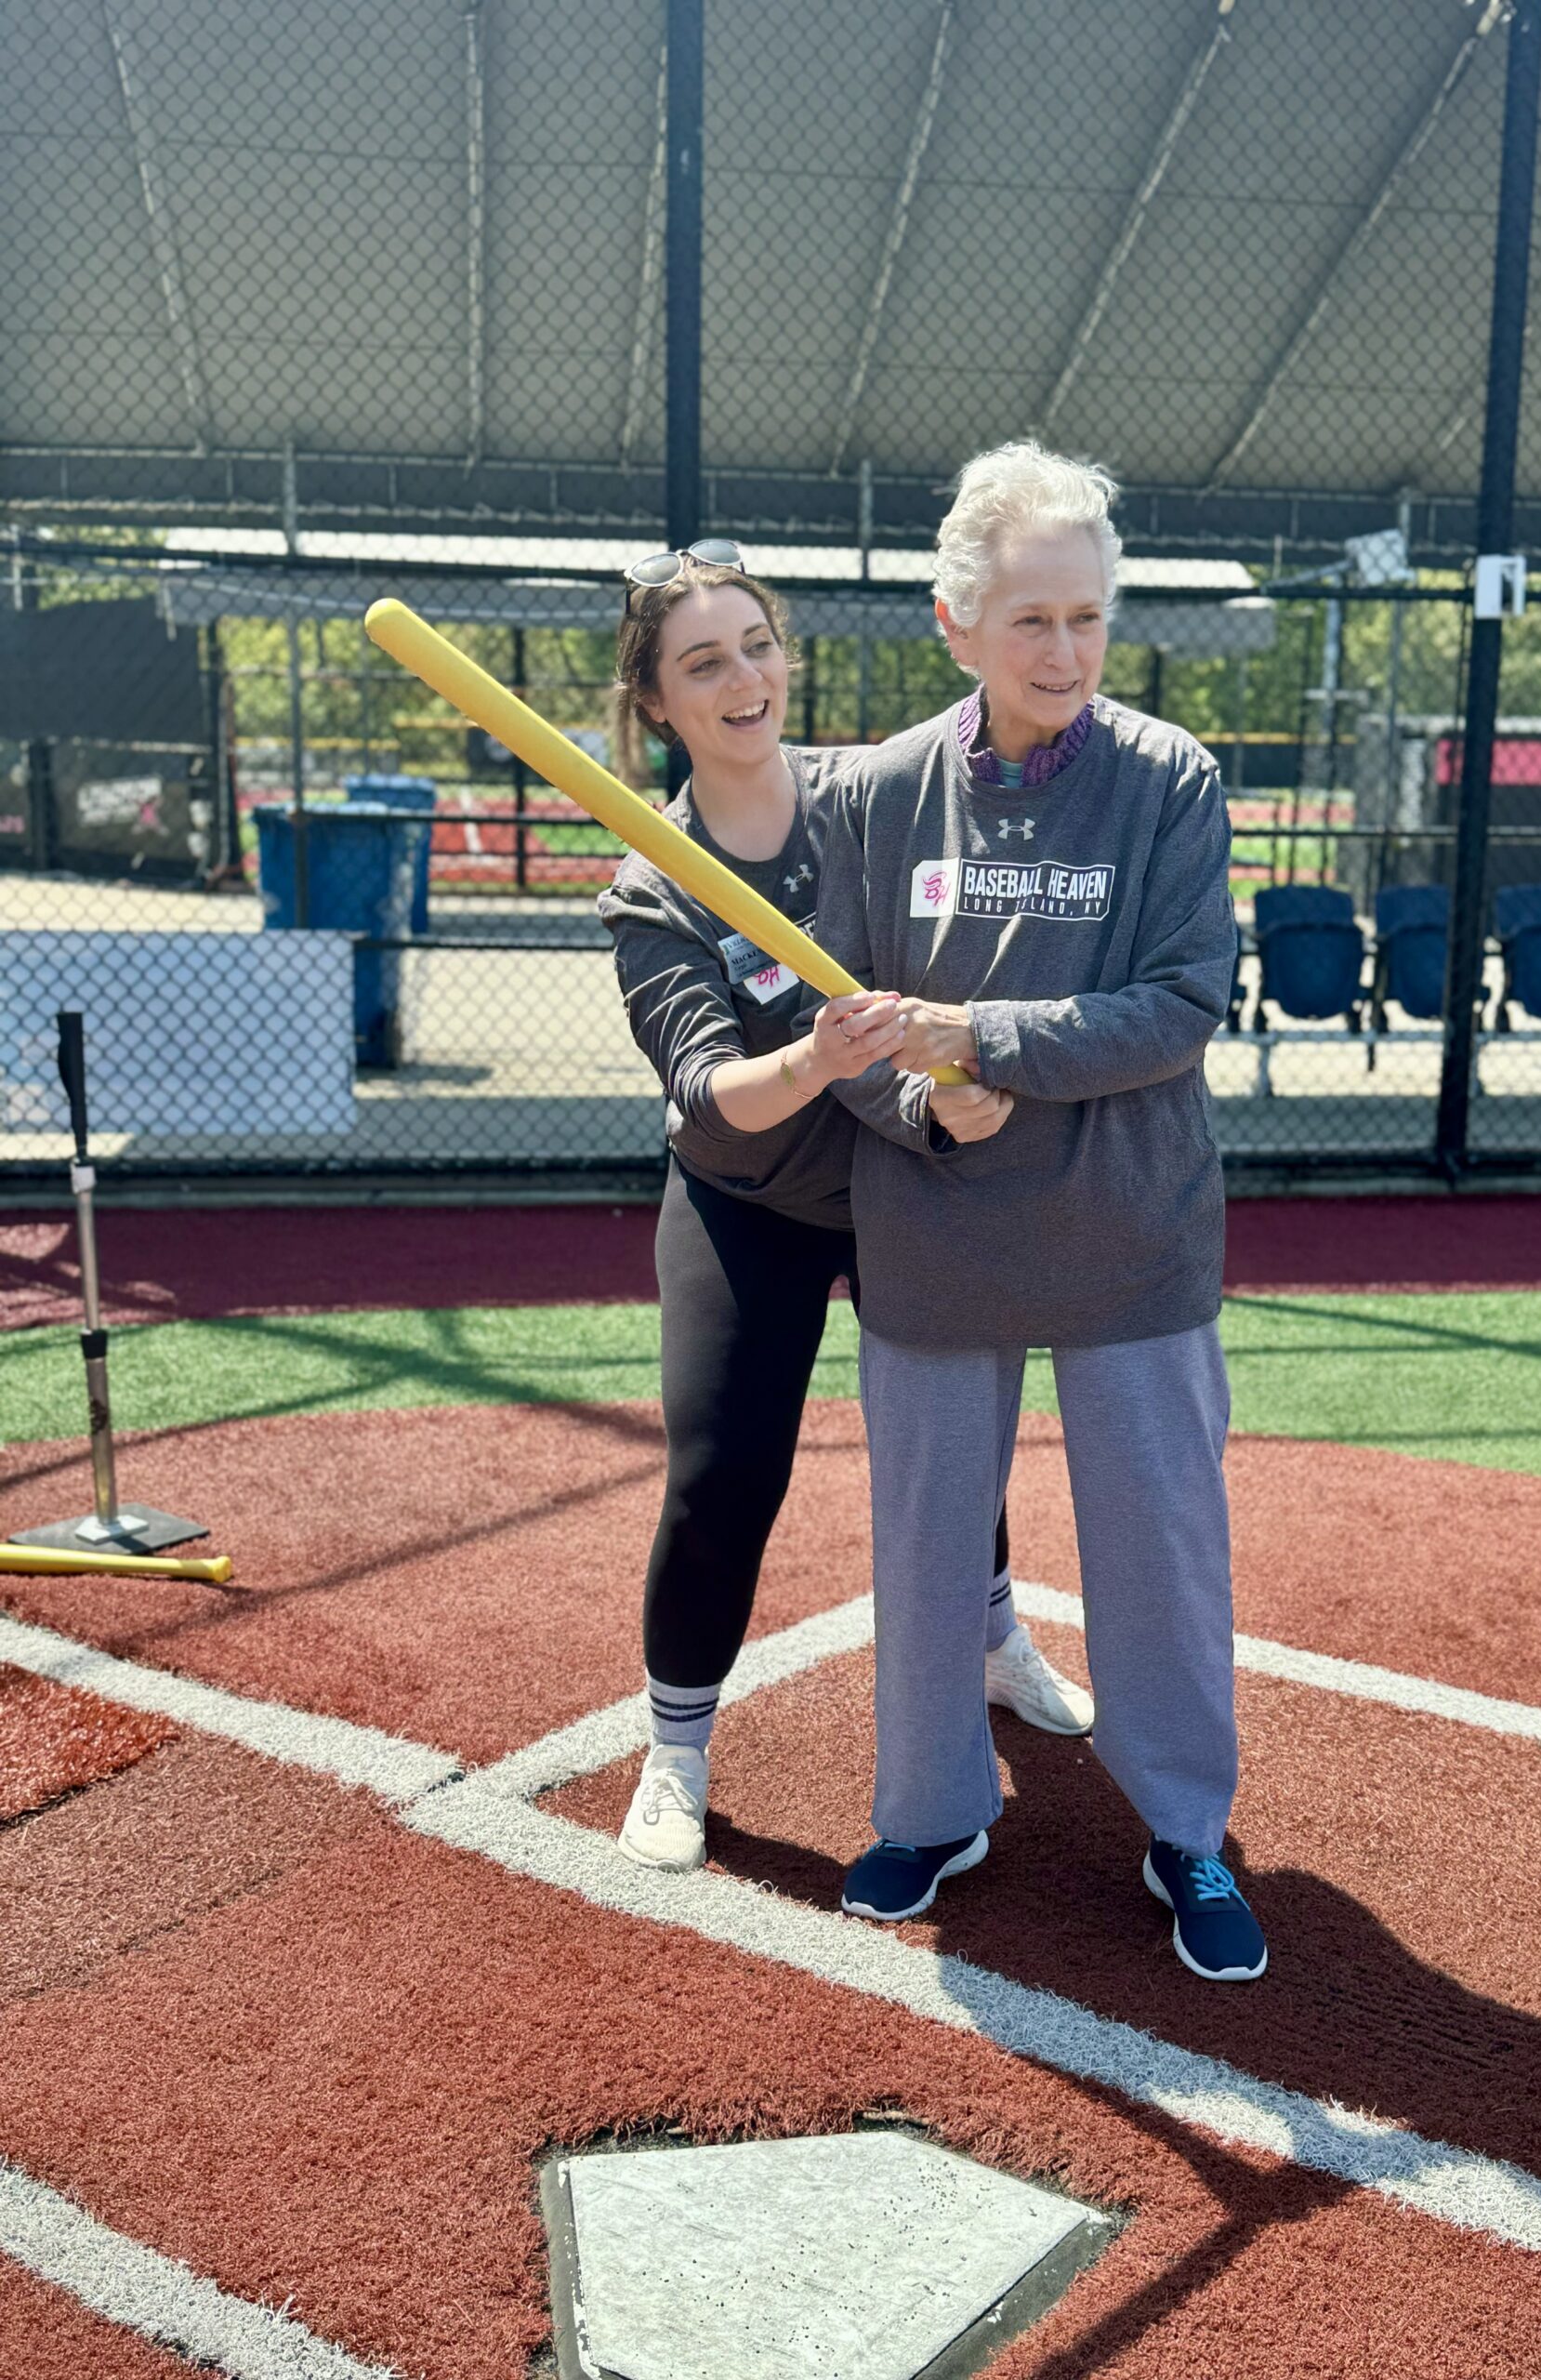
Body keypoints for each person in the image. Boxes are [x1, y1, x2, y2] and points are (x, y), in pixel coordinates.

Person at [813, 445, 1267, 1979]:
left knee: (1161, 1548)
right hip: (937, 1234)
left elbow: (1181, 1004)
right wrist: (919, 1096)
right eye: (1030, 622)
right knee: (928, 1546)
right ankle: (932, 1807)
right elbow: (843, 1021)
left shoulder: (1171, 779)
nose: (1066, 652)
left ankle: (1187, 1831)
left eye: (1087, 617)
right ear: (956, 625)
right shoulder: (876, 793)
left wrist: (980, 1045)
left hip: (1131, 1235)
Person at [595, 538, 1095, 1873]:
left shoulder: (872, 798)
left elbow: (949, 976)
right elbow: (709, 1096)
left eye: (757, 646)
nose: (744, 678)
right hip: (746, 1197)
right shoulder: (654, 879)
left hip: (898, 1177)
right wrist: (819, 1055)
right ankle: (678, 1750)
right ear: (658, 701)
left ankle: (995, 1639)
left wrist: (948, 1098)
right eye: (704, 662)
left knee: (954, 1443)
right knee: (720, 1474)